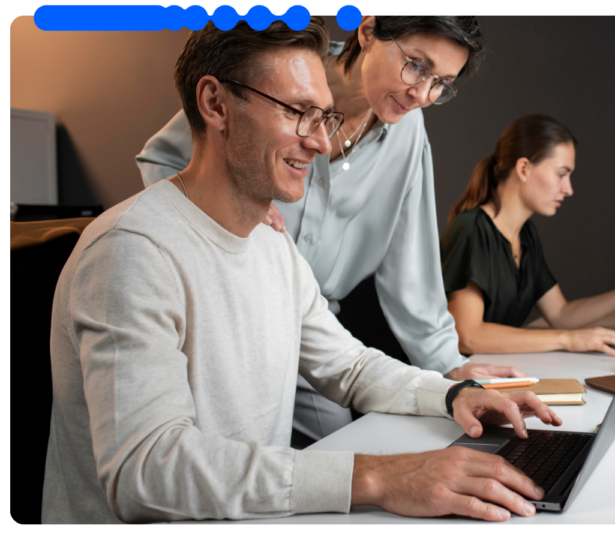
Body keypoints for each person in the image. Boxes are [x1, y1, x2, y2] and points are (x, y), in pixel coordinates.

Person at [42, 18, 561, 524]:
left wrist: (454, 394)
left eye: (325, 117)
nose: (319, 143)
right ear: (214, 103)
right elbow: (145, 471)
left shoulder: (273, 248)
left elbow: (350, 367)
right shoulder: (131, 253)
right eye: (297, 112)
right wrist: (381, 478)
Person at [135, 16, 523, 445]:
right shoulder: (280, 71)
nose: (422, 93)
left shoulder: (407, 132)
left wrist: (450, 372)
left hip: (318, 329)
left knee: (341, 447)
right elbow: (165, 158)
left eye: (441, 84)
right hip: (231, 307)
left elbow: (409, 261)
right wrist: (226, 214)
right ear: (368, 31)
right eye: (416, 64)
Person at [440, 115, 615, 357]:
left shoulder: (525, 234)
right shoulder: (471, 230)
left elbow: (561, 314)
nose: (569, 189)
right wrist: (568, 339)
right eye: (561, 174)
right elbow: (468, 336)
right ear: (524, 168)